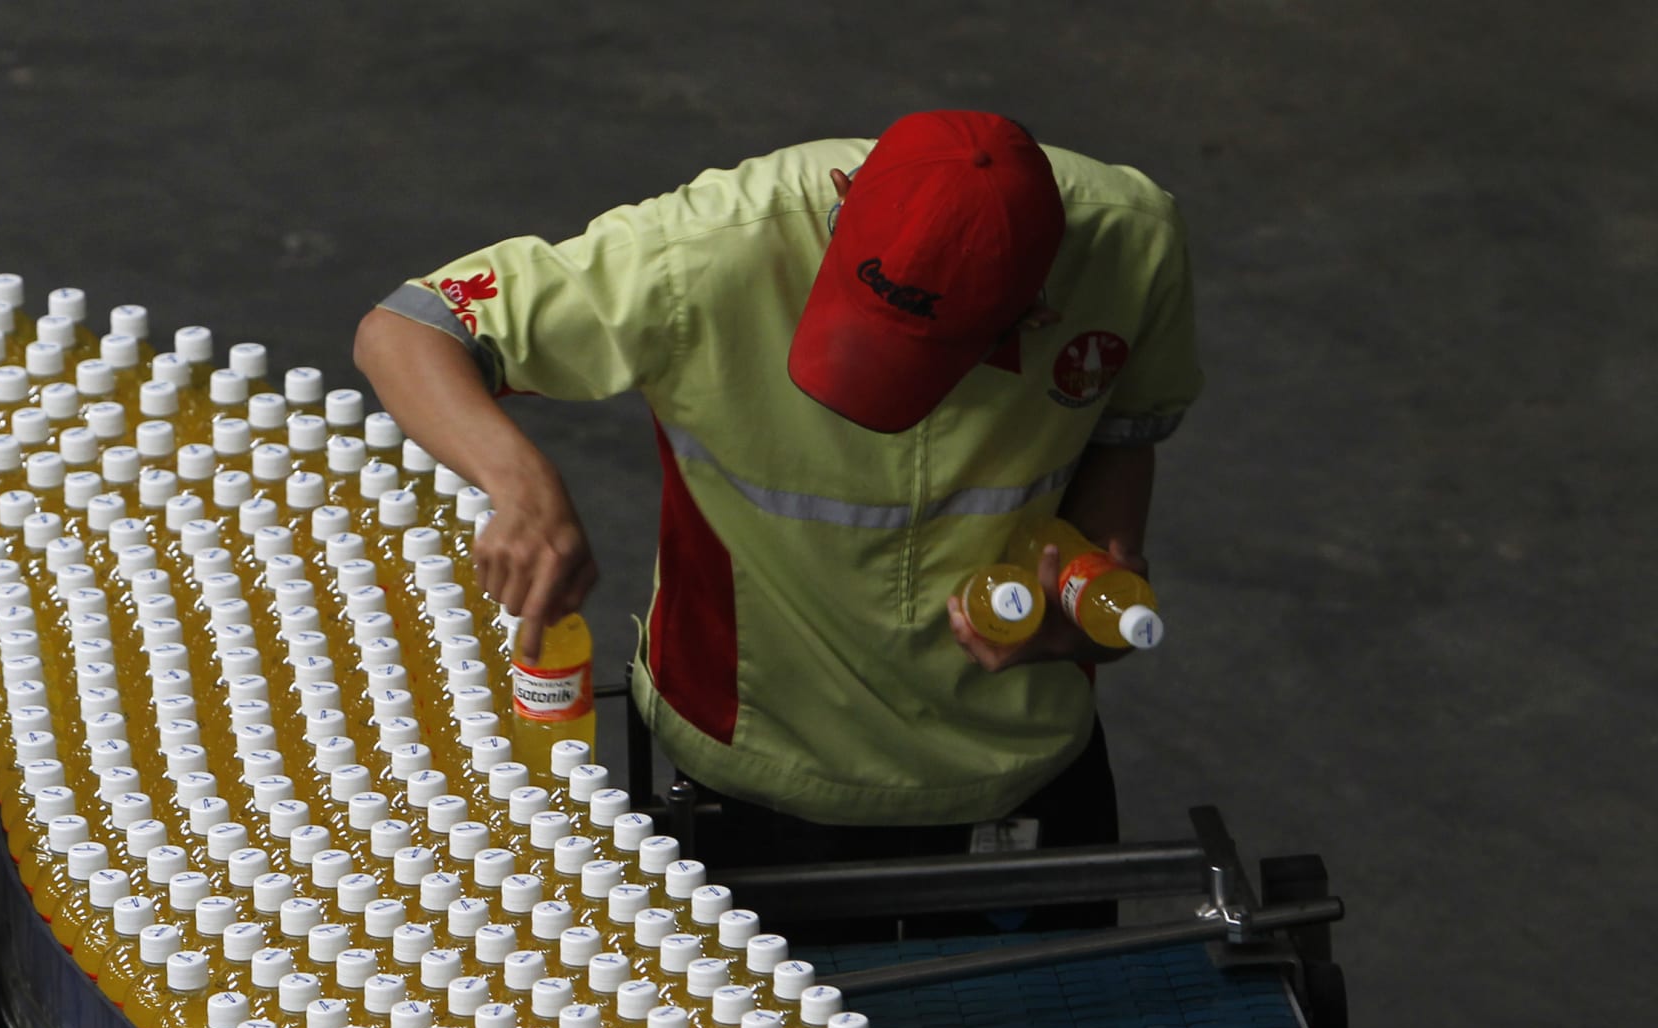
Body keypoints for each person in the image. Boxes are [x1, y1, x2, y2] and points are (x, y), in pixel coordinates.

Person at [353, 110, 1201, 934]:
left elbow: (1123, 437)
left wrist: (1090, 611)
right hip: (756, 771)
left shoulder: (1132, 244)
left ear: (1038, 310)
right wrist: (522, 485)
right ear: (838, 225)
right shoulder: (708, 249)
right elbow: (410, 327)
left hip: (1023, 770)